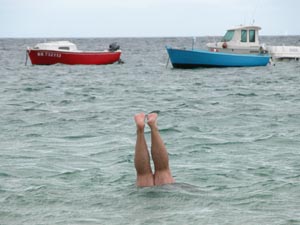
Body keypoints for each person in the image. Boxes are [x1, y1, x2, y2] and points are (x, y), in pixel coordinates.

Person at [134, 112, 175, 187]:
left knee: (143, 175)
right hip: (166, 191)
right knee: (163, 172)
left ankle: (141, 130)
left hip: (144, 192)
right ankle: (152, 126)